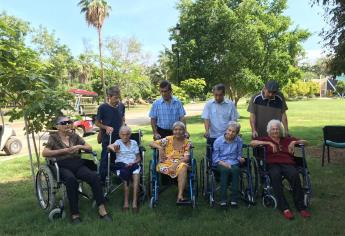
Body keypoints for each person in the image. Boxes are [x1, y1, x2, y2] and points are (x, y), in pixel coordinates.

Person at [42, 116, 112, 224]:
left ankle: (102, 210)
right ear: (57, 126)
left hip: (77, 164)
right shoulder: (53, 137)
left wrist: (79, 146)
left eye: (68, 122)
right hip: (62, 165)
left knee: (94, 177)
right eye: (63, 123)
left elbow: (89, 148)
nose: (67, 124)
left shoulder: (74, 136)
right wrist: (64, 151)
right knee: (71, 180)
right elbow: (45, 153)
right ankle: (75, 214)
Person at [250, 119, 311, 220]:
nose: (275, 131)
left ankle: (301, 207)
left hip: (287, 163)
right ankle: (284, 208)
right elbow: (252, 143)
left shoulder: (287, 139)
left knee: (294, 175)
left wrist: (294, 142)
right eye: (273, 129)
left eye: (277, 129)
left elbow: (306, 142)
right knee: (275, 176)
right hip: (272, 164)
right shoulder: (265, 139)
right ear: (269, 131)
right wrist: (269, 144)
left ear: (280, 130)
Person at [149, 121, 191, 203]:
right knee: (183, 167)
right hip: (165, 164)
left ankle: (180, 196)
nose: (177, 131)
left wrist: (175, 165)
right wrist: (160, 148)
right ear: (173, 130)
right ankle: (182, 189)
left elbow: (186, 158)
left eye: (180, 129)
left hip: (180, 164)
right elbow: (151, 143)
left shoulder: (187, 142)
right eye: (175, 129)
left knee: (183, 166)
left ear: (184, 130)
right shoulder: (168, 139)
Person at [107, 125, 141, 213]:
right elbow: (109, 146)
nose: (125, 137)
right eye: (123, 134)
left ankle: (134, 203)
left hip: (133, 164)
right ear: (119, 135)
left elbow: (138, 158)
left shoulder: (134, 142)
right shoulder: (118, 142)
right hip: (121, 165)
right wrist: (114, 149)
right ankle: (126, 202)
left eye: (127, 134)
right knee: (125, 175)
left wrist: (134, 162)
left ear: (130, 134)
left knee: (136, 175)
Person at [96, 86, 125, 183]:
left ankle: (119, 176)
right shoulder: (102, 107)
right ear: (109, 96)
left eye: (118, 97)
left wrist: (123, 126)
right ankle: (101, 180)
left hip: (120, 137)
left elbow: (122, 118)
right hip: (107, 138)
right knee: (105, 158)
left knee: (119, 157)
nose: (118, 100)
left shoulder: (122, 106)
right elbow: (97, 123)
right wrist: (106, 127)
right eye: (115, 98)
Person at [212, 121, 244, 207]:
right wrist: (224, 164)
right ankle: (223, 199)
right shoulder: (218, 141)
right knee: (225, 170)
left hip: (234, 162)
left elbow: (238, 154)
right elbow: (215, 158)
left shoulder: (239, 141)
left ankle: (234, 199)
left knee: (236, 170)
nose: (230, 133)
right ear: (226, 130)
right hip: (220, 163)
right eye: (229, 130)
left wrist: (240, 158)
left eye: (233, 131)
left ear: (237, 133)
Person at [202, 83, 239, 154]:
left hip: (227, 136)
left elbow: (234, 120)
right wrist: (207, 131)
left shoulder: (230, 104)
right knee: (212, 157)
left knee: (226, 155)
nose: (218, 97)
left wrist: (236, 132)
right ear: (213, 94)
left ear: (224, 94)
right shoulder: (209, 104)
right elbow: (206, 118)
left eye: (220, 95)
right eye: (216, 95)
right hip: (212, 136)